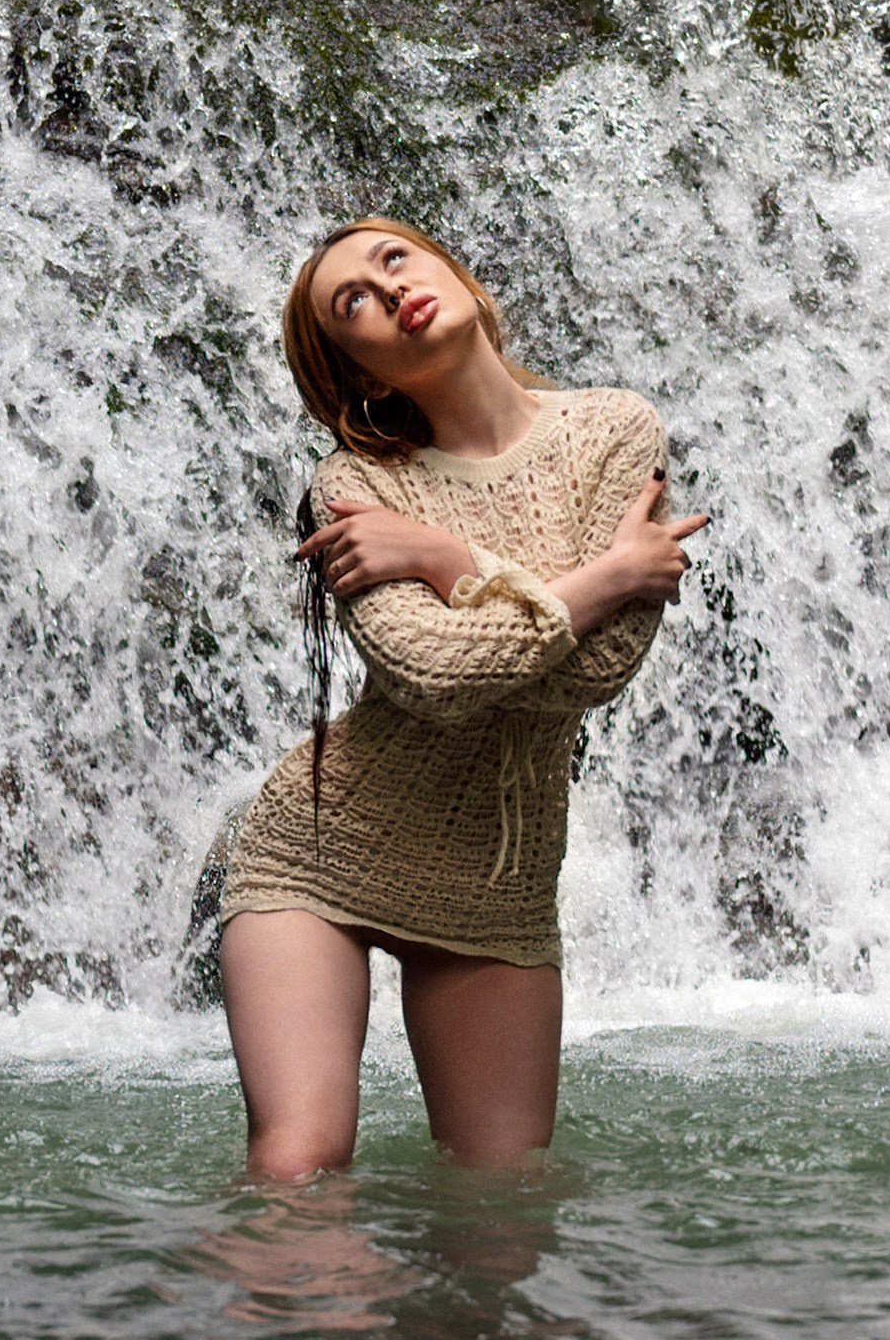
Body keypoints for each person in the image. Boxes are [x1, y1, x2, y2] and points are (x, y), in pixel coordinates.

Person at [216, 217, 706, 1181]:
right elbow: (438, 679)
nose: (387, 289)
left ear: (458, 277)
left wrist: (441, 557)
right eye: (352, 301)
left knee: (499, 1209)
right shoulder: (353, 485)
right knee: (299, 1163)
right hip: (323, 857)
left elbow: (597, 674)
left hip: (497, 882)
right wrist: (608, 575)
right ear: (358, 371)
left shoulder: (616, 429)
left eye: (393, 259)